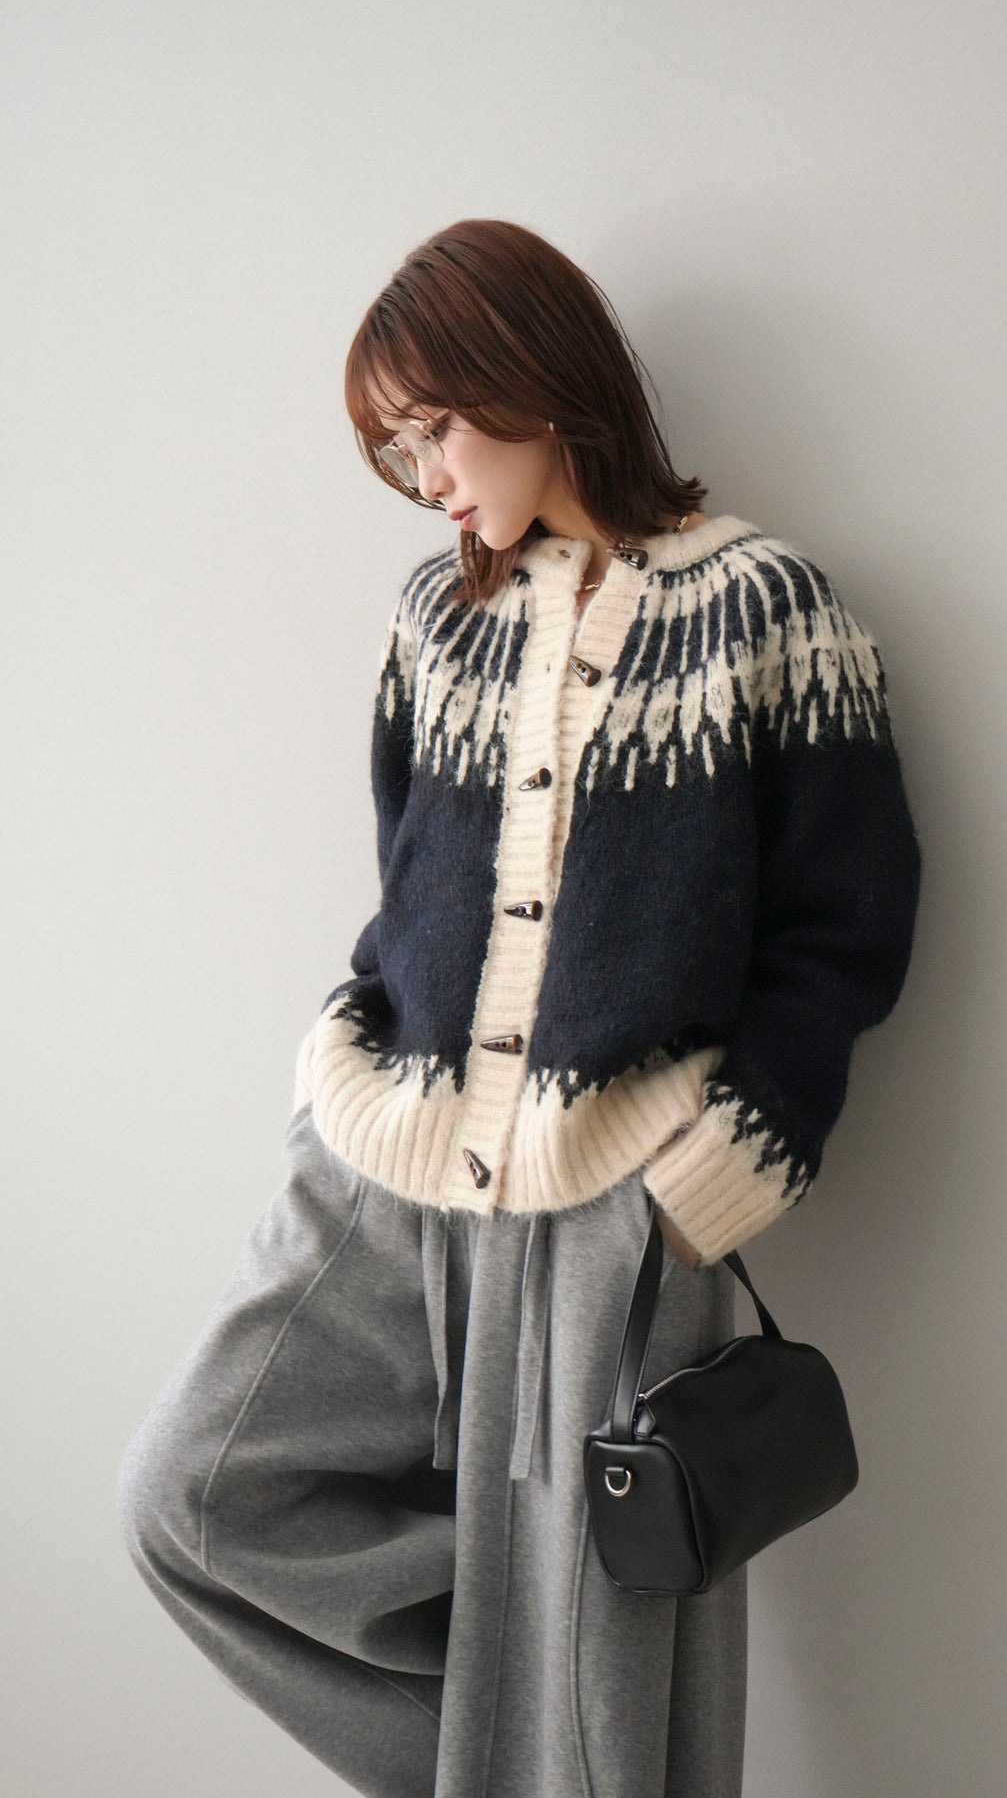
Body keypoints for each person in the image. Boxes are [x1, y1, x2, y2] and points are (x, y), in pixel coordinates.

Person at [115, 218, 923, 1797]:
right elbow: (415, 881)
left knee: (595, 1682)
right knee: (193, 1502)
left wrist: (714, 1177)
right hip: (377, 1169)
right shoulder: (436, 618)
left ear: (533, 380)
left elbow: (847, 929)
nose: (423, 478)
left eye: (433, 429)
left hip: (614, 1207)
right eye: (394, 449)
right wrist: (338, 1052)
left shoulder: (769, 608)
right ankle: (518, 1728)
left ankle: (551, 1727)